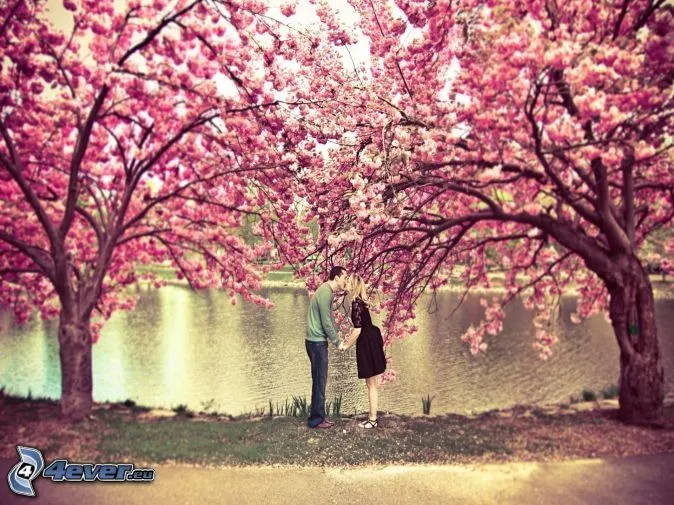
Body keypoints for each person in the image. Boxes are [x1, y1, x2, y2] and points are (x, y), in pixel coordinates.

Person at [305, 266, 348, 429]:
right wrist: (338, 342)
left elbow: (327, 321)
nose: (346, 280)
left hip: (315, 341)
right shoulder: (325, 292)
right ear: (336, 277)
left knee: (319, 380)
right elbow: (326, 322)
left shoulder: (325, 291)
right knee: (320, 380)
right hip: (316, 342)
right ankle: (316, 420)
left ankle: (318, 417)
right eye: (345, 277)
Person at [342, 274, 386, 428]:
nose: (345, 284)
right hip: (371, 339)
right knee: (371, 383)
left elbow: (357, 331)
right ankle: (372, 418)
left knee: (371, 384)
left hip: (367, 343)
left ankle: (373, 420)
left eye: (347, 282)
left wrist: (345, 346)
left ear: (353, 286)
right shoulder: (360, 302)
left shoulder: (356, 304)